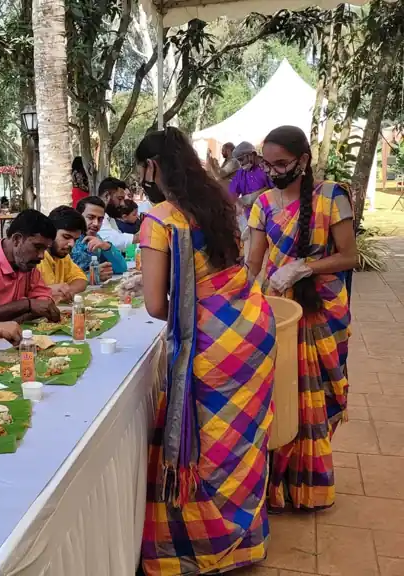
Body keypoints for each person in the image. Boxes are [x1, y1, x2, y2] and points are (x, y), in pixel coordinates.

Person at [137, 127, 276, 575]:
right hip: (253, 329)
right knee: (243, 440)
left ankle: (201, 551)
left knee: (206, 445)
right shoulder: (219, 204)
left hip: (210, 343)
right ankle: (245, 543)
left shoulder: (160, 219)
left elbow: (157, 305)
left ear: (152, 167)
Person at [247, 125, 357, 512]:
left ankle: (310, 485)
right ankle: (277, 487)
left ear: (304, 160)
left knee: (318, 396)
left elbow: (349, 256)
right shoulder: (262, 204)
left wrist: (304, 268)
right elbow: (252, 264)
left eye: (282, 163)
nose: (274, 172)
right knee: (280, 394)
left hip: (324, 309)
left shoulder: (331, 196)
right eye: (268, 164)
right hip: (280, 310)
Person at [38, 206, 88, 302]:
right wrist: (47, 292)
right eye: (66, 236)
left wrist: (67, 292)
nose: (72, 244)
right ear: (50, 232)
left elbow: (81, 279)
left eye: (75, 240)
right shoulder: (35, 258)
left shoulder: (63, 256)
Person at [71, 196, 127, 282]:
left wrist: (106, 246)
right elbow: (63, 277)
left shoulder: (97, 240)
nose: (96, 223)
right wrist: (92, 276)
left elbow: (121, 268)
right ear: (78, 216)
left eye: (100, 219)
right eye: (90, 217)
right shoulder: (68, 240)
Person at [230, 141, 273, 220]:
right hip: (250, 217)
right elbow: (232, 192)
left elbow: (276, 190)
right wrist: (236, 202)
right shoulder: (241, 173)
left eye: (241, 159)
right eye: (238, 161)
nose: (240, 164)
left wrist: (258, 195)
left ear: (252, 155)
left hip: (269, 215)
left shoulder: (268, 168)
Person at [96, 177, 138, 252]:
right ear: (106, 196)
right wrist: (140, 236)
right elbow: (113, 241)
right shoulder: (97, 216)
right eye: (119, 199)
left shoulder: (110, 218)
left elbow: (119, 237)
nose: (122, 204)